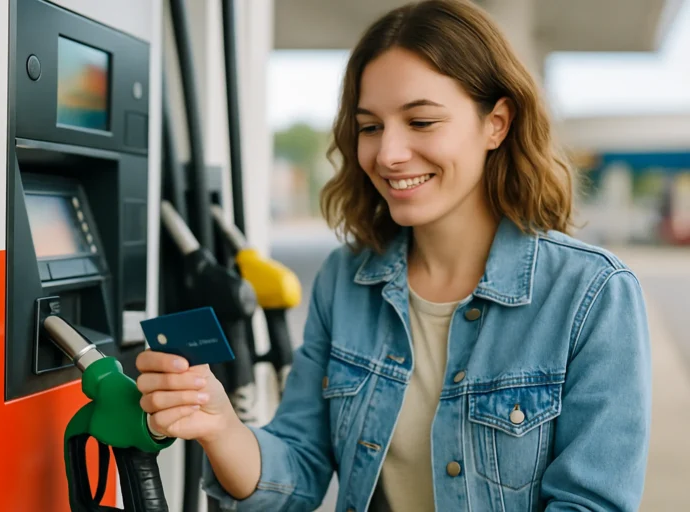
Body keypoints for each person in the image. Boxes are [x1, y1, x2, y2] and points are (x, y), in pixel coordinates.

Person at [136, 0, 652, 510]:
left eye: (421, 122)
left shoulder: (592, 294)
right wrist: (221, 426)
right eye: (370, 126)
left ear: (496, 123)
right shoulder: (346, 280)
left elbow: (591, 504)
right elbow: (299, 468)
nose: (387, 154)